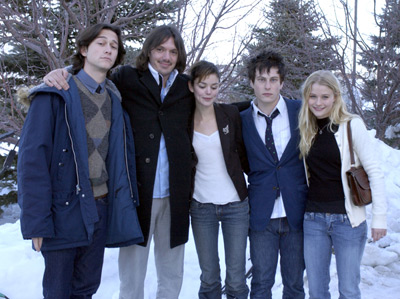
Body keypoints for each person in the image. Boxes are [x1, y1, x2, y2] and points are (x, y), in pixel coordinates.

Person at [43, 25, 194, 299]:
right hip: (139, 193)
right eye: (160, 49)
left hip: (175, 194)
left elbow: (215, 105)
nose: (166, 57)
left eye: (173, 51)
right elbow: (92, 72)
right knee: (132, 274)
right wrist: (61, 72)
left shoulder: (187, 87)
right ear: (148, 50)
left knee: (172, 272)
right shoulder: (127, 78)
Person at [17, 23, 143, 299]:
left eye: (114, 45)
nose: (108, 48)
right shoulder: (54, 94)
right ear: (84, 49)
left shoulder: (114, 99)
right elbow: (31, 161)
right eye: (101, 42)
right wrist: (36, 221)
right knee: (58, 291)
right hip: (63, 208)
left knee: (86, 289)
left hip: (100, 207)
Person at [298, 70, 387, 299]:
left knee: (348, 290)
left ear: (336, 97)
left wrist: (379, 218)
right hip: (313, 219)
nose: (318, 103)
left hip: (348, 221)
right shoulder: (306, 127)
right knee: (317, 291)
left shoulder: (351, 125)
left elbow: (375, 172)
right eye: (313, 96)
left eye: (325, 97)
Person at [240, 50, 307, 299]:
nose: (267, 86)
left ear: (282, 82)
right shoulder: (242, 120)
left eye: (273, 79)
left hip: (295, 212)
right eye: (261, 79)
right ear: (251, 82)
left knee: (294, 285)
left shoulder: (301, 111)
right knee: (260, 284)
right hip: (261, 215)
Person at [188, 61, 249, 298]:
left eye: (214, 86)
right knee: (209, 278)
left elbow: (244, 153)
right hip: (202, 207)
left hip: (235, 206)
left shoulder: (230, 114)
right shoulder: (183, 119)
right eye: (203, 86)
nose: (208, 92)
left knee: (236, 280)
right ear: (192, 86)